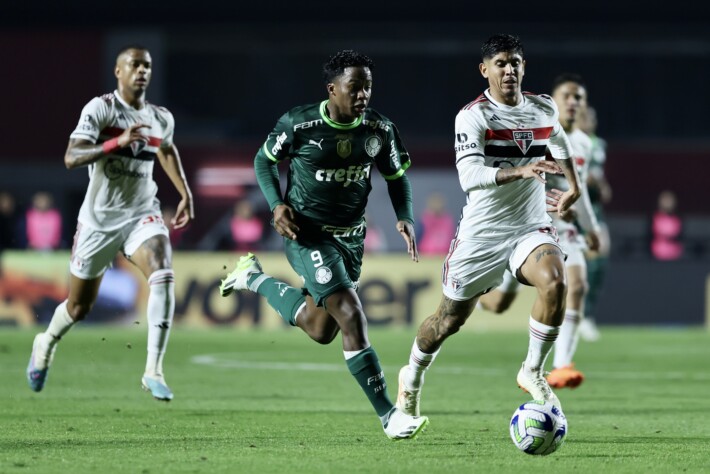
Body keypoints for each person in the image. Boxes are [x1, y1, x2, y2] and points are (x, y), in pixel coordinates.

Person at [219, 50, 428, 439]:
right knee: (350, 312)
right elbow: (263, 161)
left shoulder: (379, 129)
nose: (363, 94)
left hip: (351, 237)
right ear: (332, 89)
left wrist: (405, 215)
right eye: (355, 87)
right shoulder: (300, 123)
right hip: (307, 232)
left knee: (321, 328)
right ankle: (389, 415)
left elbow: (396, 176)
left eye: (368, 86)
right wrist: (277, 204)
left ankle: (254, 279)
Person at [395, 34, 584, 417]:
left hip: (530, 225)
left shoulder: (543, 108)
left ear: (524, 67)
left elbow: (561, 144)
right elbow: (469, 176)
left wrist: (574, 189)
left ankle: (533, 370)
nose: (509, 69)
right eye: (500, 63)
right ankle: (411, 377)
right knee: (447, 320)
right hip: (482, 234)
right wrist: (523, 170)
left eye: (515, 62)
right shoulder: (474, 115)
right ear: (485, 70)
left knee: (556, 279)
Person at [26, 45, 194, 401]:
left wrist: (185, 193)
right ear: (118, 71)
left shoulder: (160, 117)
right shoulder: (101, 108)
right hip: (99, 220)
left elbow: (166, 148)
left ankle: (153, 369)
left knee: (163, 273)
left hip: (141, 213)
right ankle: (45, 343)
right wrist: (116, 142)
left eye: (147, 65)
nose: (142, 71)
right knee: (78, 307)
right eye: (134, 65)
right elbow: (72, 156)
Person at [477, 73, 601, 389]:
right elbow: (520, 177)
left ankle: (561, 366)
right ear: (553, 101)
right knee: (499, 304)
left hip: (562, 227)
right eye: (567, 96)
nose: (573, 103)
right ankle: (481, 296)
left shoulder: (585, 143)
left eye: (579, 98)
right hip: (526, 223)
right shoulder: (538, 133)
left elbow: (580, 190)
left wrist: (591, 227)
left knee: (577, 284)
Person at [577, 104, 611, 341]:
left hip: (594, 211)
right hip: (571, 209)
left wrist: (602, 185)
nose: (590, 121)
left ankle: (586, 317)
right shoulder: (567, 140)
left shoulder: (598, 145)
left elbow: (597, 177)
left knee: (598, 263)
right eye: (585, 117)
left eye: (592, 117)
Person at [650, 190, 683, 261]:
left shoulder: (677, 218)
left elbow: (679, 235)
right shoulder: (654, 217)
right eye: (665, 200)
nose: (667, 203)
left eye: (670, 200)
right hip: (656, 254)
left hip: (675, 254)